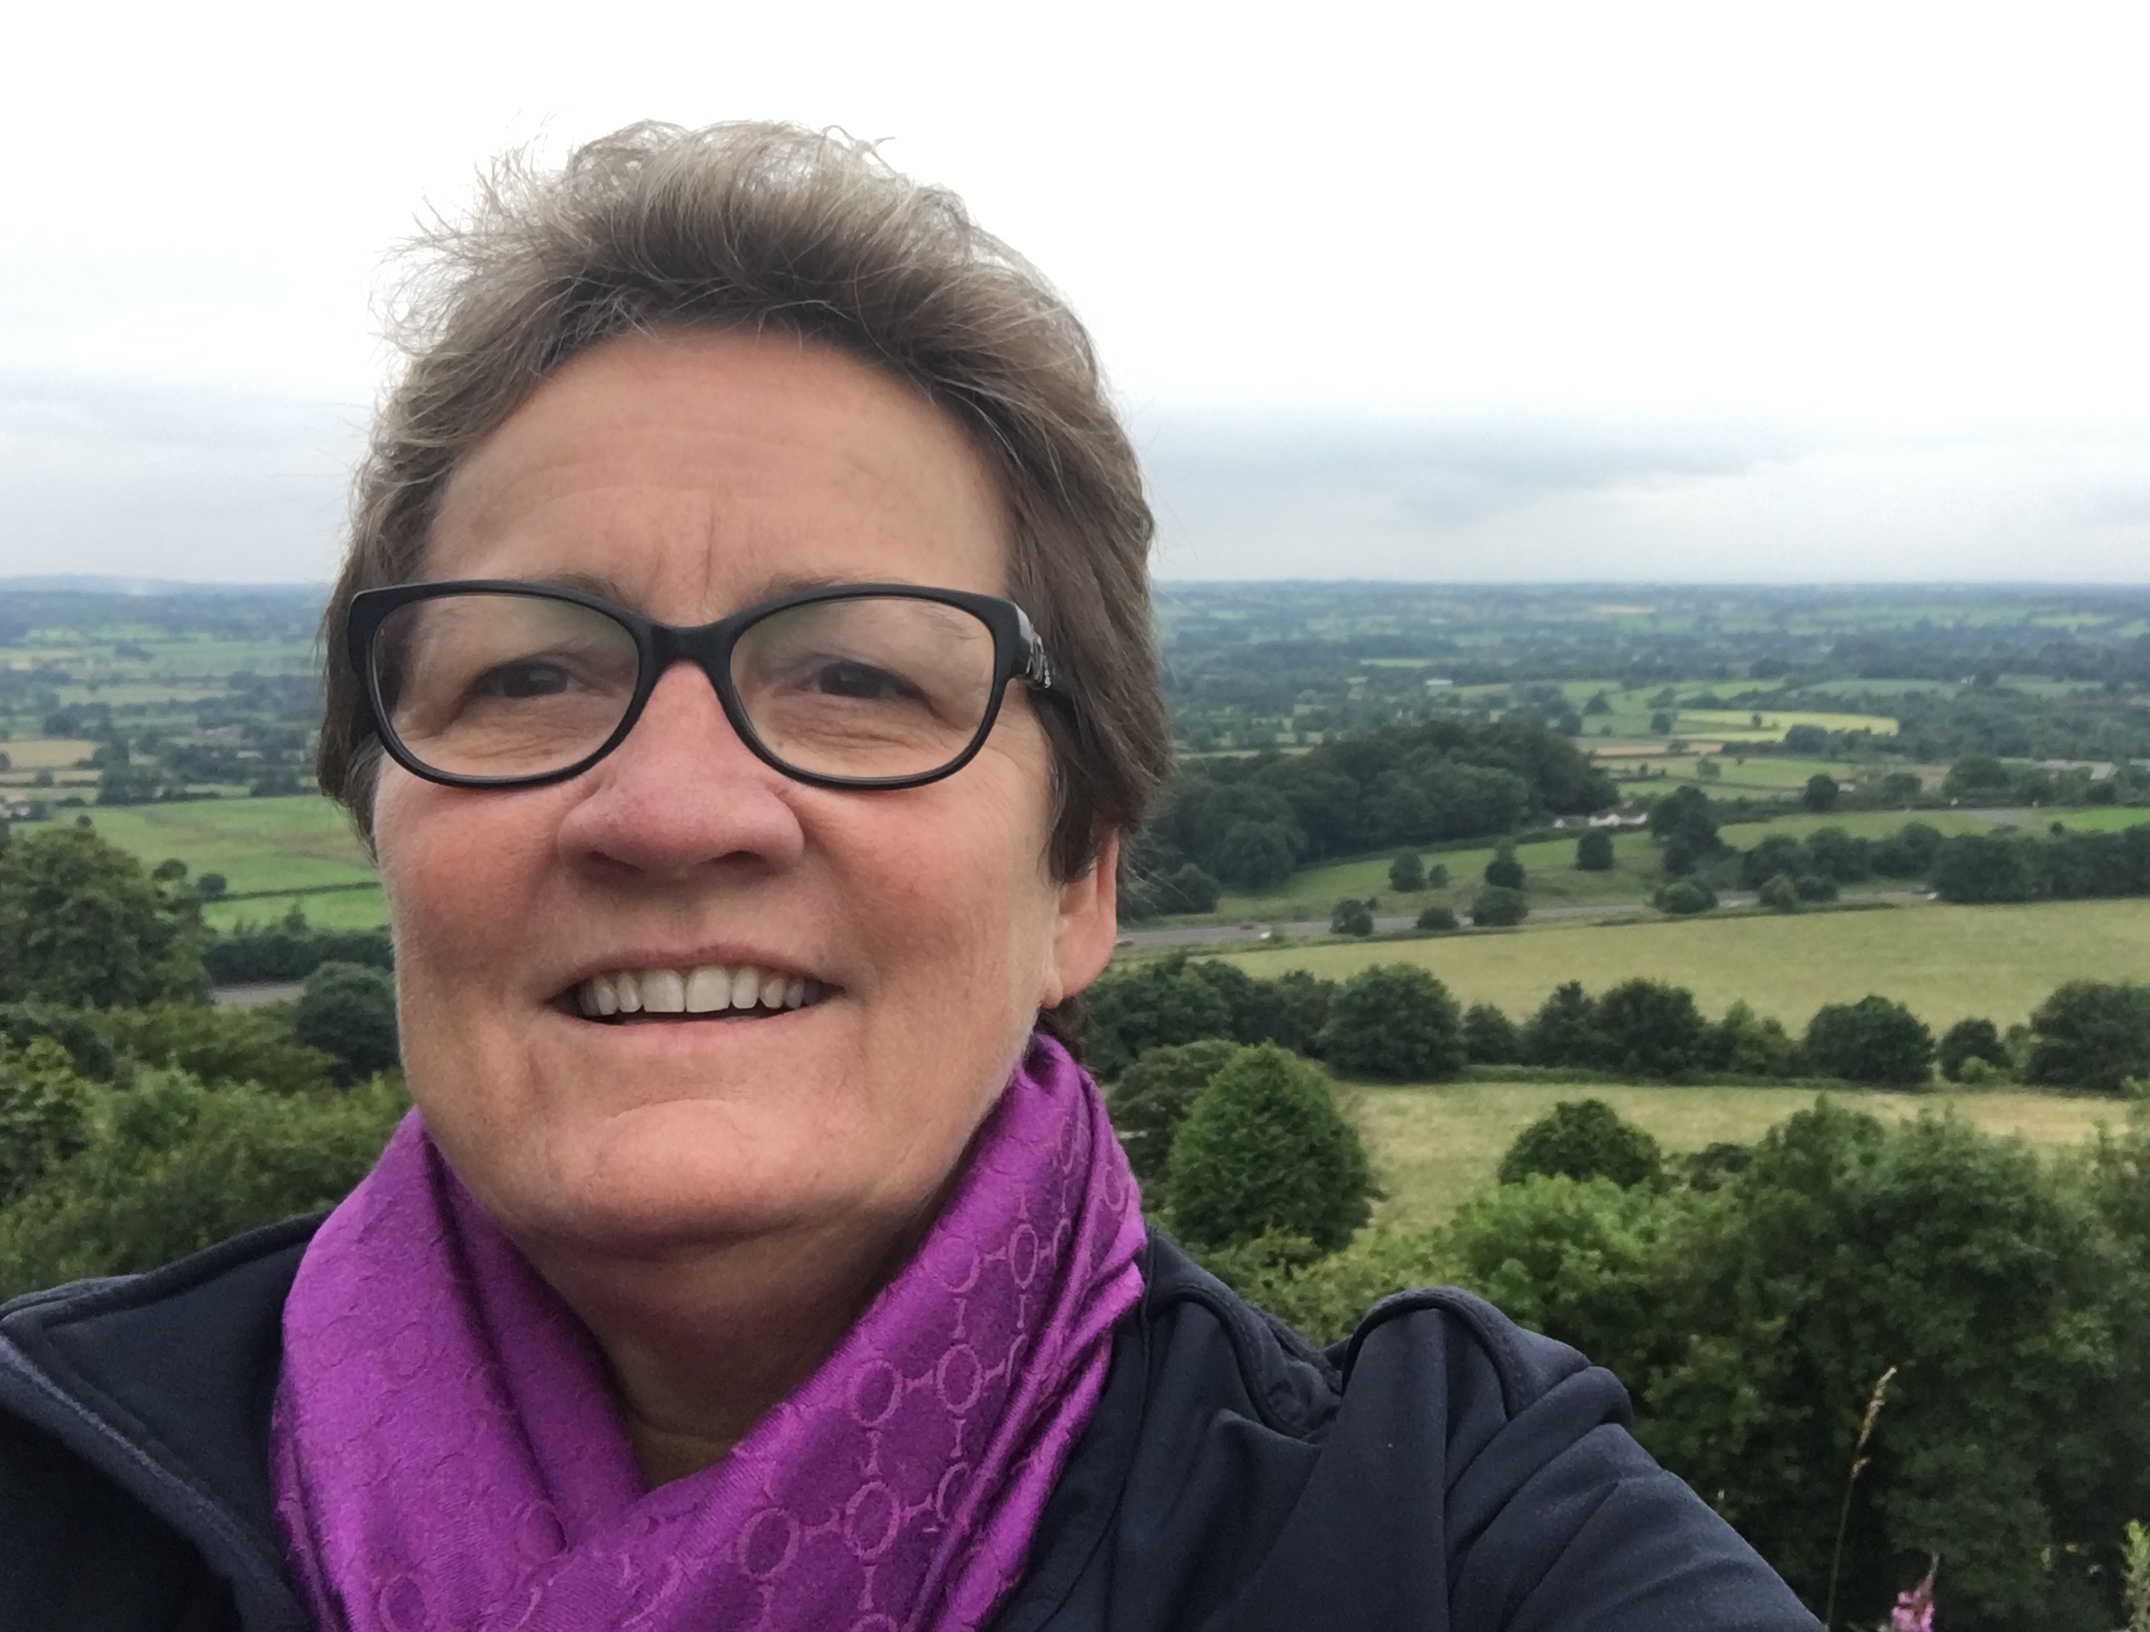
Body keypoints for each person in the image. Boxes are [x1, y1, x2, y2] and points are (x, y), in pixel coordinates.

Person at [0, 124, 1817, 1631]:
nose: (672, 808)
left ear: (1078, 883)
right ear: (379, 823)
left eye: (860, 679)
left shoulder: (1445, 1539)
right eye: (530, 672)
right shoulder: (52, 1485)